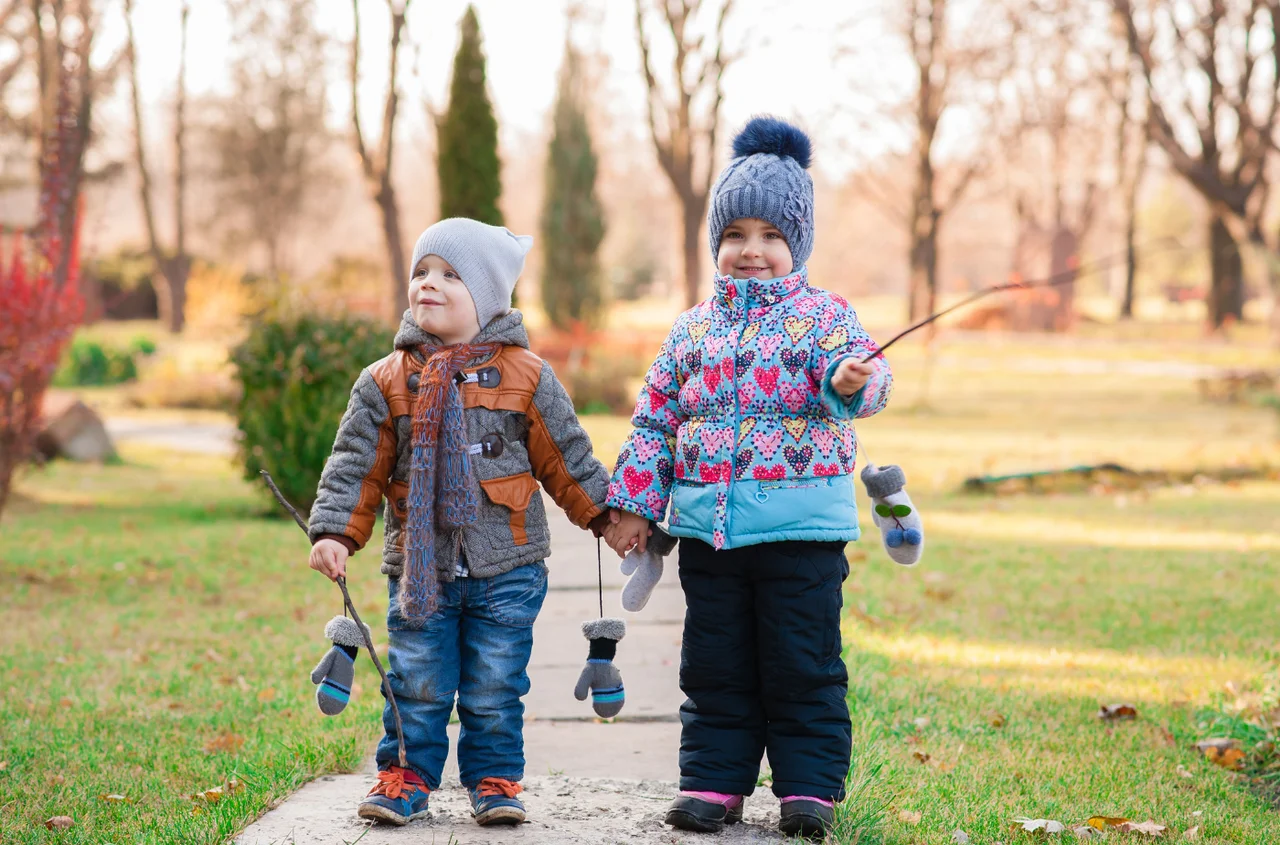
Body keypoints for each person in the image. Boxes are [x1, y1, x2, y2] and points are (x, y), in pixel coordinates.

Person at [603, 117, 893, 839]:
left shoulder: (825, 317)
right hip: (713, 535)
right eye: (735, 234)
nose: (751, 250)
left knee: (802, 663)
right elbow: (655, 421)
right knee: (716, 665)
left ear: (798, 242)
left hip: (801, 537)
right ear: (716, 243)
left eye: (770, 234)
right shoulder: (691, 330)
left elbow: (866, 376)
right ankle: (714, 782)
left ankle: (809, 790)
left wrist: (851, 380)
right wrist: (634, 504)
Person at [308, 217, 612, 827]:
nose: (429, 283)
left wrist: (607, 515)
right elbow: (354, 464)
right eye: (421, 271)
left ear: (489, 296)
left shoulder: (527, 375)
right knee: (415, 681)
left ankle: (495, 779)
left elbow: (567, 456)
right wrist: (336, 530)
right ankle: (406, 776)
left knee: (495, 686)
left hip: (509, 565)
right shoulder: (385, 381)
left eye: (451, 275)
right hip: (421, 569)